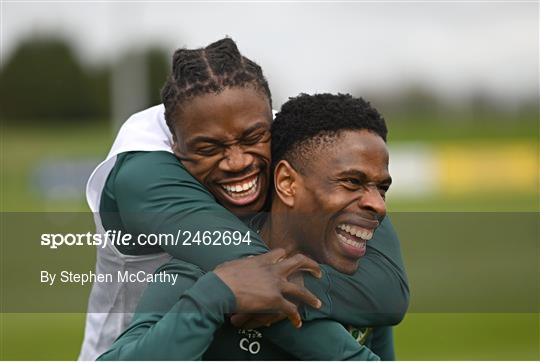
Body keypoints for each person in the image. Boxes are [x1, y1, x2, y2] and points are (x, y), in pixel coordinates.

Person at [79, 38, 408, 360]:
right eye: (209, 148)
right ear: (176, 146)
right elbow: (254, 277)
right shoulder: (144, 170)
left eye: (253, 137)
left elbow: (387, 291)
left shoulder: (289, 143)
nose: (238, 162)